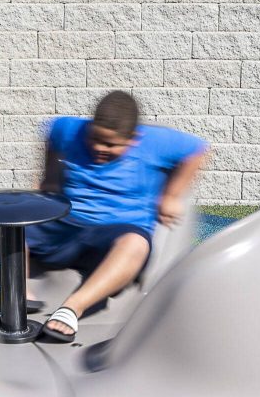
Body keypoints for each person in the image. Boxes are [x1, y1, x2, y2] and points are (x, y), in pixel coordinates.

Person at [32, 91, 208, 342]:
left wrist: (171, 195)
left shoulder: (157, 142)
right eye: (95, 139)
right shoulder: (70, 129)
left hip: (116, 232)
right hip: (66, 225)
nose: (99, 149)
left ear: (134, 139)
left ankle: (72, 308)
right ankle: (19, 291)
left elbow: (198, 150)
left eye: (111, 145)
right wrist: (49, 176)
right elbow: (52, 132)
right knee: (6, 219)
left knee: (136, 244)